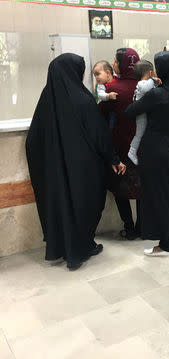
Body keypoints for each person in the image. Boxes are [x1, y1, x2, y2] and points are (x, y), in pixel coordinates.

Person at [26, 53, 125, 270]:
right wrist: (112, 158)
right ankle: (82, 247)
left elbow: (33, 141)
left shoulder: (46, 101)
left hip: (55, 172)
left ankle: (61, 248)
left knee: (60, 206)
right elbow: (100, 135)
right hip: (84, 169)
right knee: (86, 204)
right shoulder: (83, 99)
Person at [125, 51, 169, 256]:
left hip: (154, 149)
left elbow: (130, 112)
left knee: (159, 196)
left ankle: (165, 245)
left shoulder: (158, 94)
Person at [99, 48, 141, 240]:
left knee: (121, 189)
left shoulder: (112, 89)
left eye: (115, 61)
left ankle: (129, 228)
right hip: (142, 148)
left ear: (122, 64)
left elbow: (100, 116)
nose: (113, 64)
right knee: (142, 189)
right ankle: (142, 227)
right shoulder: (147, 85)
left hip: (121, 147)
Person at [128, 60, 156, 165]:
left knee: (141, 133)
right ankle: (132, 151)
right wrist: (154, 80)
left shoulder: (143, 83)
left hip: (144, 113)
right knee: (140, 133)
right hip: (141, 114)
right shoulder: (142, 84)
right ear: (150, 72)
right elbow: (146, 88)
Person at [93, 60, 118, 128]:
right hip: (109, 110)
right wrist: (108, 95)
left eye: (98, 74)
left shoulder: (117, 78)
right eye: (95, 75)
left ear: (107, 72)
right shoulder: (101, 85)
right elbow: (101, 95)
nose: (96, 77)